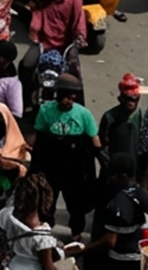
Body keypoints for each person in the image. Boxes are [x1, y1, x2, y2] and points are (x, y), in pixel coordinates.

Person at [32, 72, 100, 227]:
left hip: (75, 168)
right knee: (47, 201)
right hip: (51, 165)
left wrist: (102, 158)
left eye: (70, 98)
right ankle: (46, 228)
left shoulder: (83, 114)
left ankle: (77, 232)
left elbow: (94, 139)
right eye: (63, 97)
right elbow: (39, 138)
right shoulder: (46, 111)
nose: (66, 101)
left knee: (76, 203)